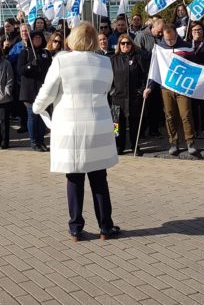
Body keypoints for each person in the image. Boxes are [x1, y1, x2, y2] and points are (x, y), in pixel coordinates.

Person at [33, 22, 120, 242]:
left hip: (70, 126)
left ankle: (75, 228)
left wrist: (37, 107)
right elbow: (108, 88)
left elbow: (48, 90)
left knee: (74, 178)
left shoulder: (61, 60)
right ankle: (105, 227)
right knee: (99, 177)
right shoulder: (104, 62)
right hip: (98, 124)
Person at [143, 21, 199, 157]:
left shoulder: (186, 47)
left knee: (185, 114)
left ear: (176, 35)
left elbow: (195, 67)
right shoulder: (159, 49)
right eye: (168, 40)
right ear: (163, 36)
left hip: (182, 87)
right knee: (169, 115)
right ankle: (173, 142)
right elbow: (154, 69)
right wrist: (149, 87)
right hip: (166, 87)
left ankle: (190, 142)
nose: (170, 42)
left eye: (173, 39)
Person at [110, 34, 148, 155]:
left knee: (134, 123)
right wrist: (112, 91)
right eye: (123, 43)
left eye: (128, 43)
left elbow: (144, 77)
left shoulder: (138, 58)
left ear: (132, 44)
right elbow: (108, 78)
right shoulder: (113, 60)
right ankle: (118, 146)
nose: (125, 45)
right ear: (119, 45)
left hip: (134, 97)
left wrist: (140, 91)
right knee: (116, 124)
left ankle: (135, 145)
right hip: (117, 97)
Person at [18, 31, 52, 152]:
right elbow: (20, 70)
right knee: (33, 116)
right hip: (29, 91)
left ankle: (41, 140)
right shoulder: (25, 52)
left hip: (43, 90)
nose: (37, 39)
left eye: (39, 37)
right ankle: (34, 141)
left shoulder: (46, 53)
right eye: (35, 37)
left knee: (42, 116)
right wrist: (30, 65)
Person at [134, 18, 164, 138]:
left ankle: (154, 129)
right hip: (145, 75)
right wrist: (151, 54)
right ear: (153, 27)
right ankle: (137, 134)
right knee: (143, 106)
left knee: (155, 105)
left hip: (157, 76)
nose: (161, 33)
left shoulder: (161, 38)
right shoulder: (141, 36)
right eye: (159, 31)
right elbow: (137, 51)